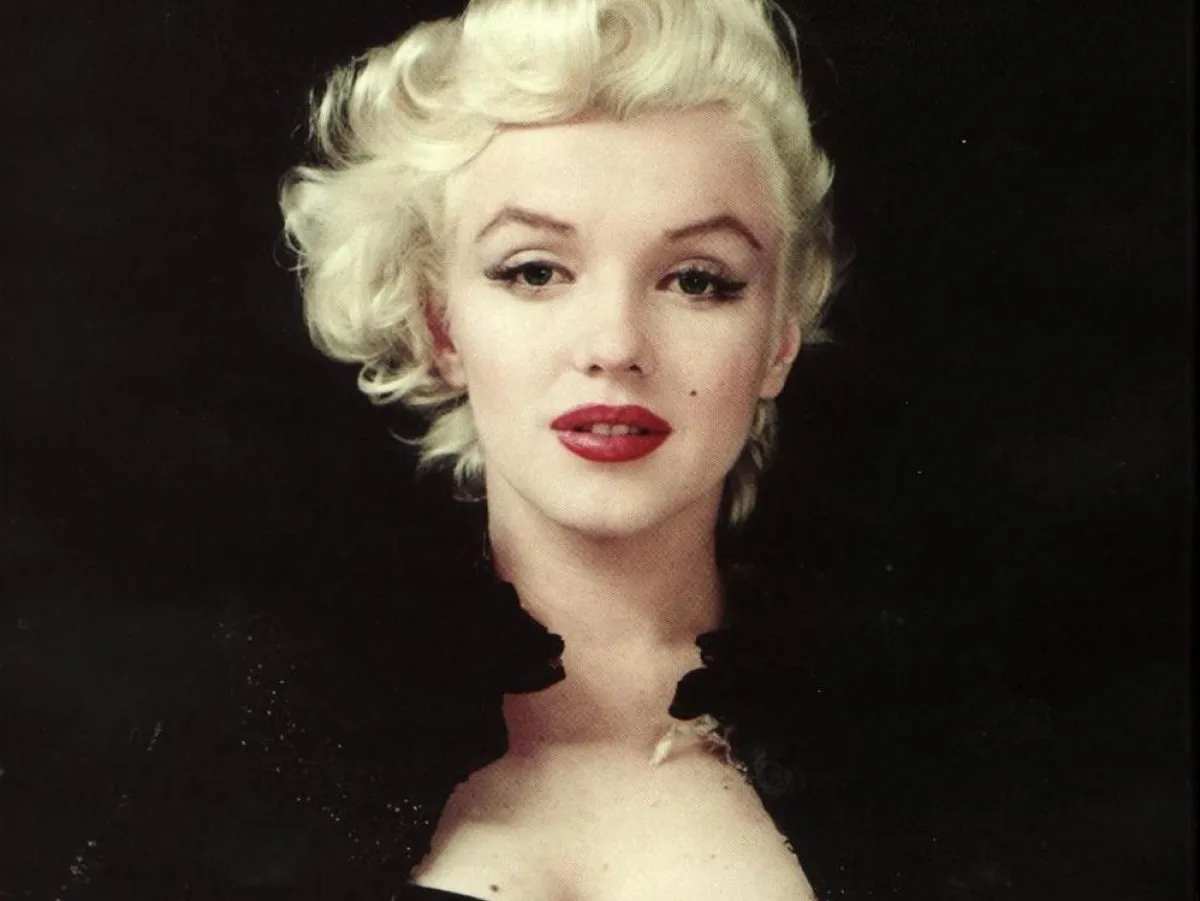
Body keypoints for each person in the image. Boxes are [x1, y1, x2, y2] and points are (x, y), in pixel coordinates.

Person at [53, 1, 942, 898]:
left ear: (780, 338)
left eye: (697, 279)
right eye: (535, 270)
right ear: (440, 325)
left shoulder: (926, 745)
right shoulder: (263, 740)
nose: (613, 345)